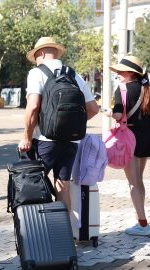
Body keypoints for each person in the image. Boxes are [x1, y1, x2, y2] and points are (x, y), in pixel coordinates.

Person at [18, 36, 99, 211]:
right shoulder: (73, 74)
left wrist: (26, 137)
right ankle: (66, 234)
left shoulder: (36, 73)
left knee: (34, 185)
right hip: (71, 141)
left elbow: (32, 107)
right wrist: (70, 123)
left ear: (40, 53)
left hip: (45, 140)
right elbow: (93, 109)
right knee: (63, 187)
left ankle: (39, 232)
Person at [109, 55, 150, 236]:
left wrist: (108, 112)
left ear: (130, 73)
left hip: (129, 138)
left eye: (120, 71)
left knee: (133, 183)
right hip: (146, 138)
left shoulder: (121, 90)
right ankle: (140, 216)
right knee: (139, 179)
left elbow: (117, 116)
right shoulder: (148, 91)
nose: (117, 74)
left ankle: (143, 224)